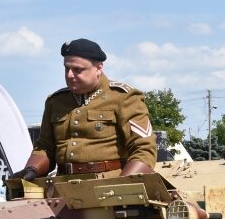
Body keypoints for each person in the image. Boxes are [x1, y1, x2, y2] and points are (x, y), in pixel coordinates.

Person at [11, 38, 156, 180]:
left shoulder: (124, 97)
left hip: (108, 186)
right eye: (66, 68)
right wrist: (32, 169)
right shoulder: (55, 101)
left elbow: (144, 150)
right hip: (61, 186)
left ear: (99, 68)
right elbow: (44, 147)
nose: (69, 75)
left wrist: (123, 186)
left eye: (77, 70)